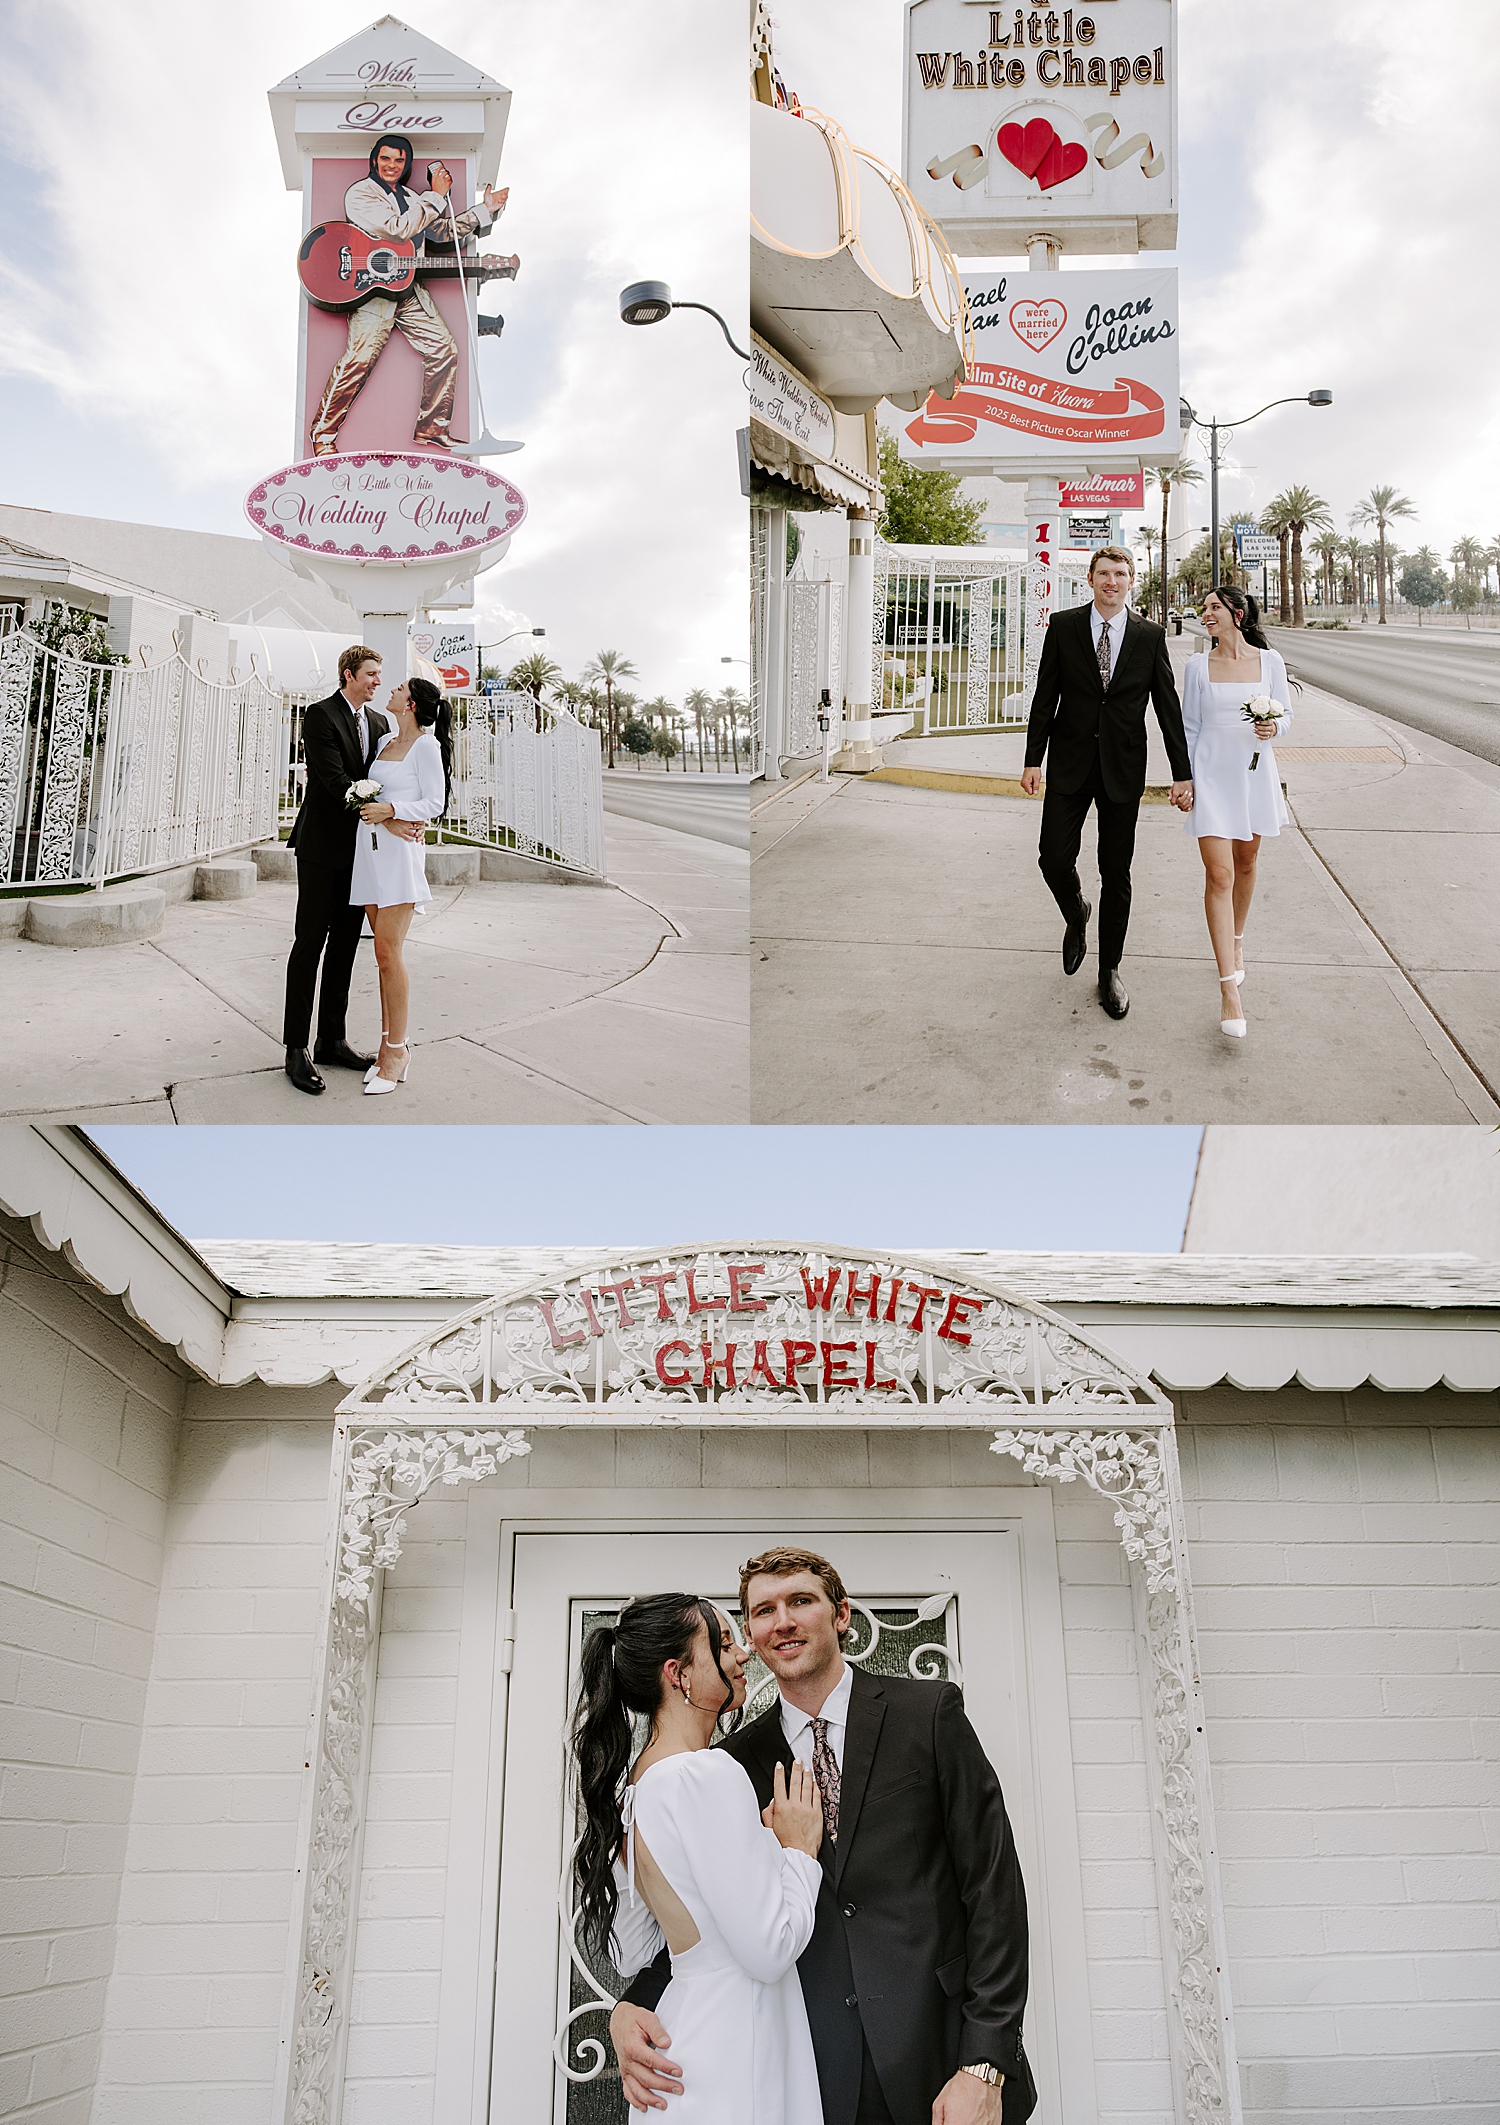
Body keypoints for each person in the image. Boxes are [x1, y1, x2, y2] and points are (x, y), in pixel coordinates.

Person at [611, 1548, 1035, 2125]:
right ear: (752, 1638)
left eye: (801, 1601)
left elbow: (994, 1890)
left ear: (841, 1616)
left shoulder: (928, 1714)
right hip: (809, 2078)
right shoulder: (729, 1764)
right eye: (763, 1612)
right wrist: (630, 2004)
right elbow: (710, 1918)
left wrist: (984, 2062)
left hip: (940, 2062)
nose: (781, 1621)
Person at [571, 1593, 825, 2124]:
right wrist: (798, 1853)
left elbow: (636, 1948)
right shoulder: (707, 1774)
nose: (743, 1656)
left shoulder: (634, 1789)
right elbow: (771, 1948)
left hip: (683, 2041)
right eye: (724, 1643)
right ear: (678, 1674)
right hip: (739, 2042)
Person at [1021, 546, 1193, 1021]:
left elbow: (1167, 709)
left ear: (1131, 580)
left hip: (1122, 768)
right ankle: (1076, 912)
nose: (1111, 581)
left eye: (1120, 574)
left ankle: (1109, 972)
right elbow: (1045, 695)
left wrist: (1182, 772)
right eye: (1103, 573)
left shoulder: (1149, 636)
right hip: (1070, 764)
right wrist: (1033, 759)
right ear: (1090, 579)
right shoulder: (1064, 626)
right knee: (1053, 856)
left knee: (1115, 872)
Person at [309, 132, 506, 456]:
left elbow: (438, 231)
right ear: (374, 160)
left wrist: (484, 210)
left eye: (399, 160)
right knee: (358, 361)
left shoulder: (415, 198)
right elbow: (397, 228)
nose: (392, 165)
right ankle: (323, 434)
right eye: (385, 158)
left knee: (444, 349)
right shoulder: (361, 193)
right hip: (371, 288)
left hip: (407, 286)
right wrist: (436, 196)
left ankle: (433, 427)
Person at [282, 645, 408, 1095]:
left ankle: (331, 1040)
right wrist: (387, 815)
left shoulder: (378, 725)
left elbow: (385, 778)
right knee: (310, 943)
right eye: (371, 673)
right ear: (349, 674)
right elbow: (336, 782)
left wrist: (399, 811)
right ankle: (296, 1048)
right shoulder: (319, 716)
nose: (378, 680)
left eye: (379, 673)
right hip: (319, 849)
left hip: (359, 854)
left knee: (345, 947)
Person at [1181, 586, 1295, 1037]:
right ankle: (1230, 991)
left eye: (1213, 608)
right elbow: (1189, 727)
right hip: (1211, 777)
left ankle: (1238, 942)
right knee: (1219, 875)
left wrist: (1274, 725)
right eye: (1204, 608)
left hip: (1253, 776)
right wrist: (1184, 779)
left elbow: (1285, 716)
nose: (1205, 614)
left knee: (1246, 862)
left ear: (1237, 614)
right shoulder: (1196, 667)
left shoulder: (1271, 663)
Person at [349, 675, 451, 1092]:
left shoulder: (426, 745)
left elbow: (435, 802)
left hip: (400, 859)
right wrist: (384, 815)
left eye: (399, 689)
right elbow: (366, 796)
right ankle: (385, 1045)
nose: (390, 690)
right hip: (370, 855)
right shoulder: (384, 742)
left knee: (390, 954)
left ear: (410, 704)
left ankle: (399, 1051)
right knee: (380, 954)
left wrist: (392, 809)